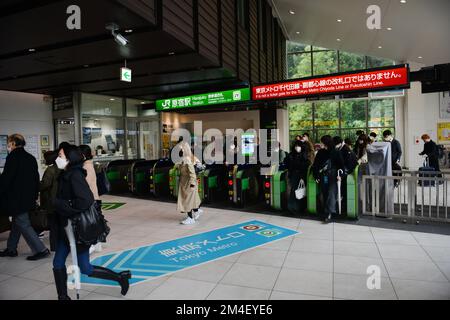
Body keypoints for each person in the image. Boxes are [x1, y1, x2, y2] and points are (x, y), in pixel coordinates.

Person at [52, 145, 131, 300]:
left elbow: (86, 200)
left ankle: (120, 278)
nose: (58, 158)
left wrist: (63, 205)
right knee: (58, 262)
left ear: (69, 158)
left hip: (78, 229)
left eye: (60, 155)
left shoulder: (75, 175)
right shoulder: (64, 174)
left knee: (85, 268)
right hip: (65, 228)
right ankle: (63, 297)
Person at [0, 134, 50, 260]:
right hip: (28, 197)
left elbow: (7, 178)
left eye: (9, 143)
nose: (8, 146)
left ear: (13, 143)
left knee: (23, 223)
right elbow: (35, 179)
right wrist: (34, 196)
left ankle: (41, 250)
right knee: (17, 223)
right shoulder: (30, 158)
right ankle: (11, 248)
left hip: (16, 198)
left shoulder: (12, 157)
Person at [312, 135, 345, 223]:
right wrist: (316, 176)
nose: (320, 144)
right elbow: (315, 165)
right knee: (325, 193)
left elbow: (341, 166)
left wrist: (340, 176)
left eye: (322, 142)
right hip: (324, 176)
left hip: (333, 176)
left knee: (331, 193)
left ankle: (329, 213)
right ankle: (329, 210)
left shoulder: (336, 152)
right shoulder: (320, 152)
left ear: (326, 143)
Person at [39, 150, 62, 252]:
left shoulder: (50, 170)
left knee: (53, 226)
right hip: (60, 201)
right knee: (59, 225)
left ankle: (55, 247)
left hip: (50, 202)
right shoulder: (61, 169)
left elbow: (45, 185)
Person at [176, 142, 202, 225]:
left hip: (189, 183)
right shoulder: (185, 158)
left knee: (187, 201)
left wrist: (192, 184)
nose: (179, 150)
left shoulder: (187, 159)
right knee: (191, 199)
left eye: (181, 149)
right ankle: (196, 211)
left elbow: (192, 173)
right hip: (185, 182)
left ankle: (190, 218)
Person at [285, 141, 311, 214]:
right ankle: (292, 208)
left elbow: (306, 167)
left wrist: (303, 177)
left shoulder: (304, 156)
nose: (297, 148)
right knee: (294, 191)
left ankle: (299, 207)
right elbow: (288, 165)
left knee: (301, 192)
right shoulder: (292, 155)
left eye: (298, 146)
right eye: (296, 146)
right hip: (294, 175)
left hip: (301, 176)